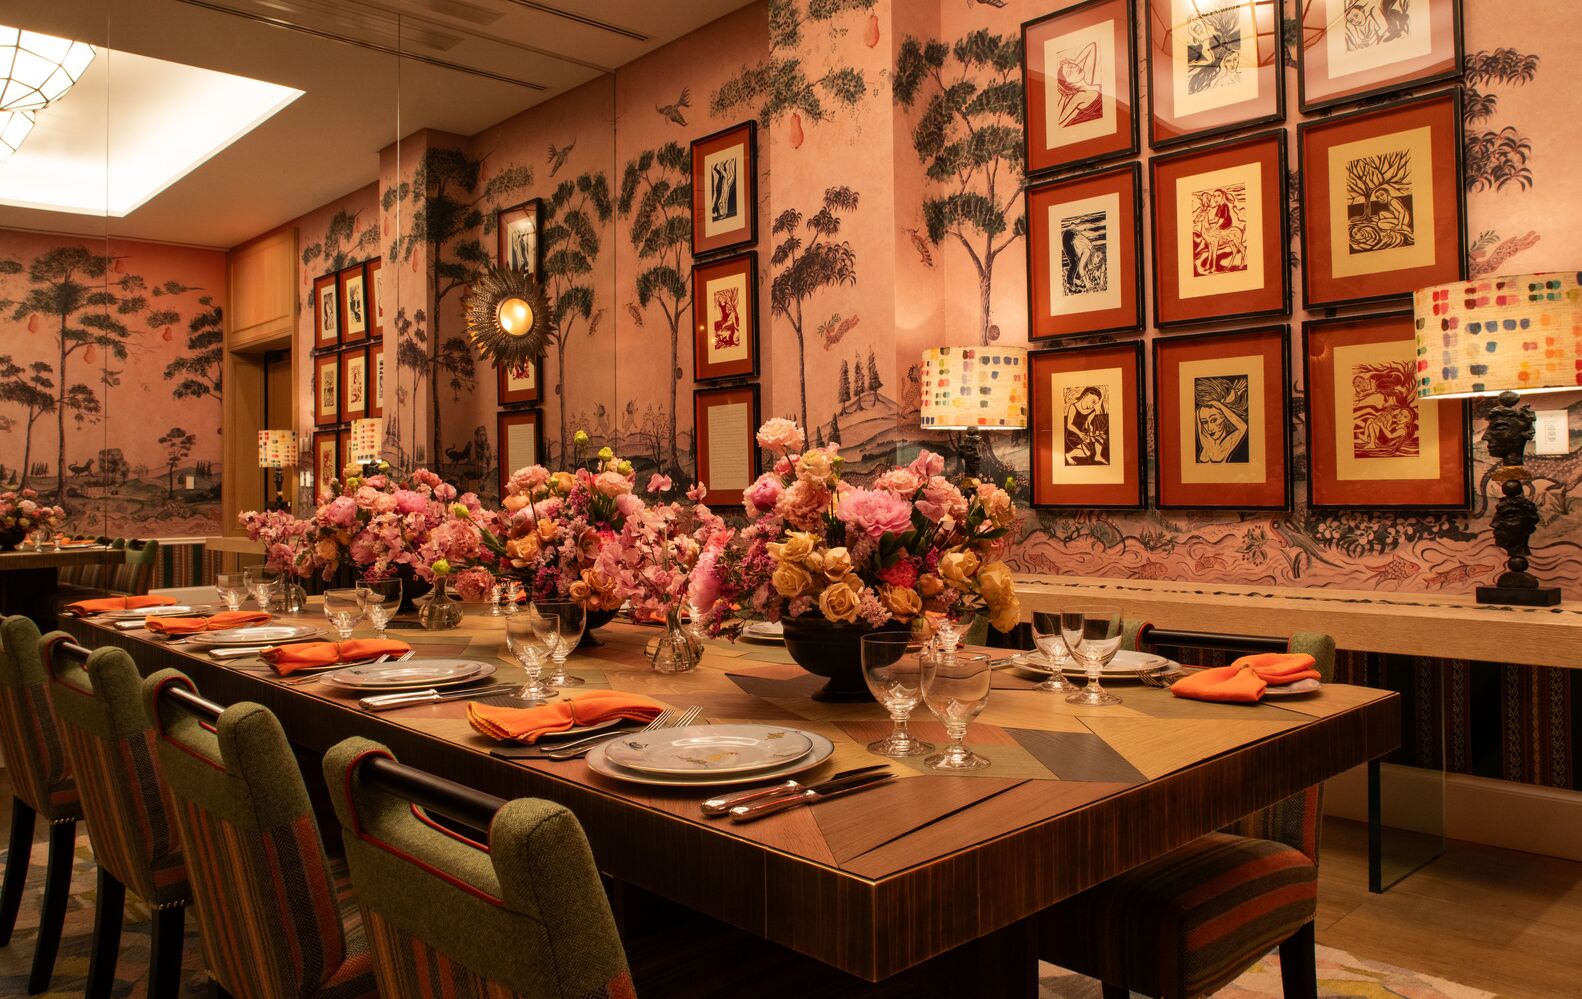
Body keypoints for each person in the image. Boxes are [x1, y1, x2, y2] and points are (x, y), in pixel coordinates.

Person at [1054, 41, 1102, 129]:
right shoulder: (1080, 96)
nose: (1075, 68)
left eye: (1072, 65)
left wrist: (1073, 62)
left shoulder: (1094, 85)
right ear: (1068, 84)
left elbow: (1091, 46)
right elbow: (1059, 122)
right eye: (1069, 73)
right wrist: (1065, 94)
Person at [1196, 393, 1249, 464]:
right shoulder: (1206, 442)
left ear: (1224, 418)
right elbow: (1198, 414)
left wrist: (1218, 404)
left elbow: (1243, 427)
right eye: (1205, 422)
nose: (1209, 428)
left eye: (1214, 420)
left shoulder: (1228, 443)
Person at [1064, 387, 1109, 465]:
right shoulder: (1073, 407)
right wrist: (1080, 434)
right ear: (1086, 395)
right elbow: (1069, 425)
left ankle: (1097, 456)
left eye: (1095, 403)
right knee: (1087, 452)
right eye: (1093, 401)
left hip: (1083, 432)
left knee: (1100, 436)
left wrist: (1094, 432)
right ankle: (1068, 455)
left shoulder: (1092, 411)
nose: (1093, 405)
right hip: (1073, 434)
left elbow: (1087, 424)